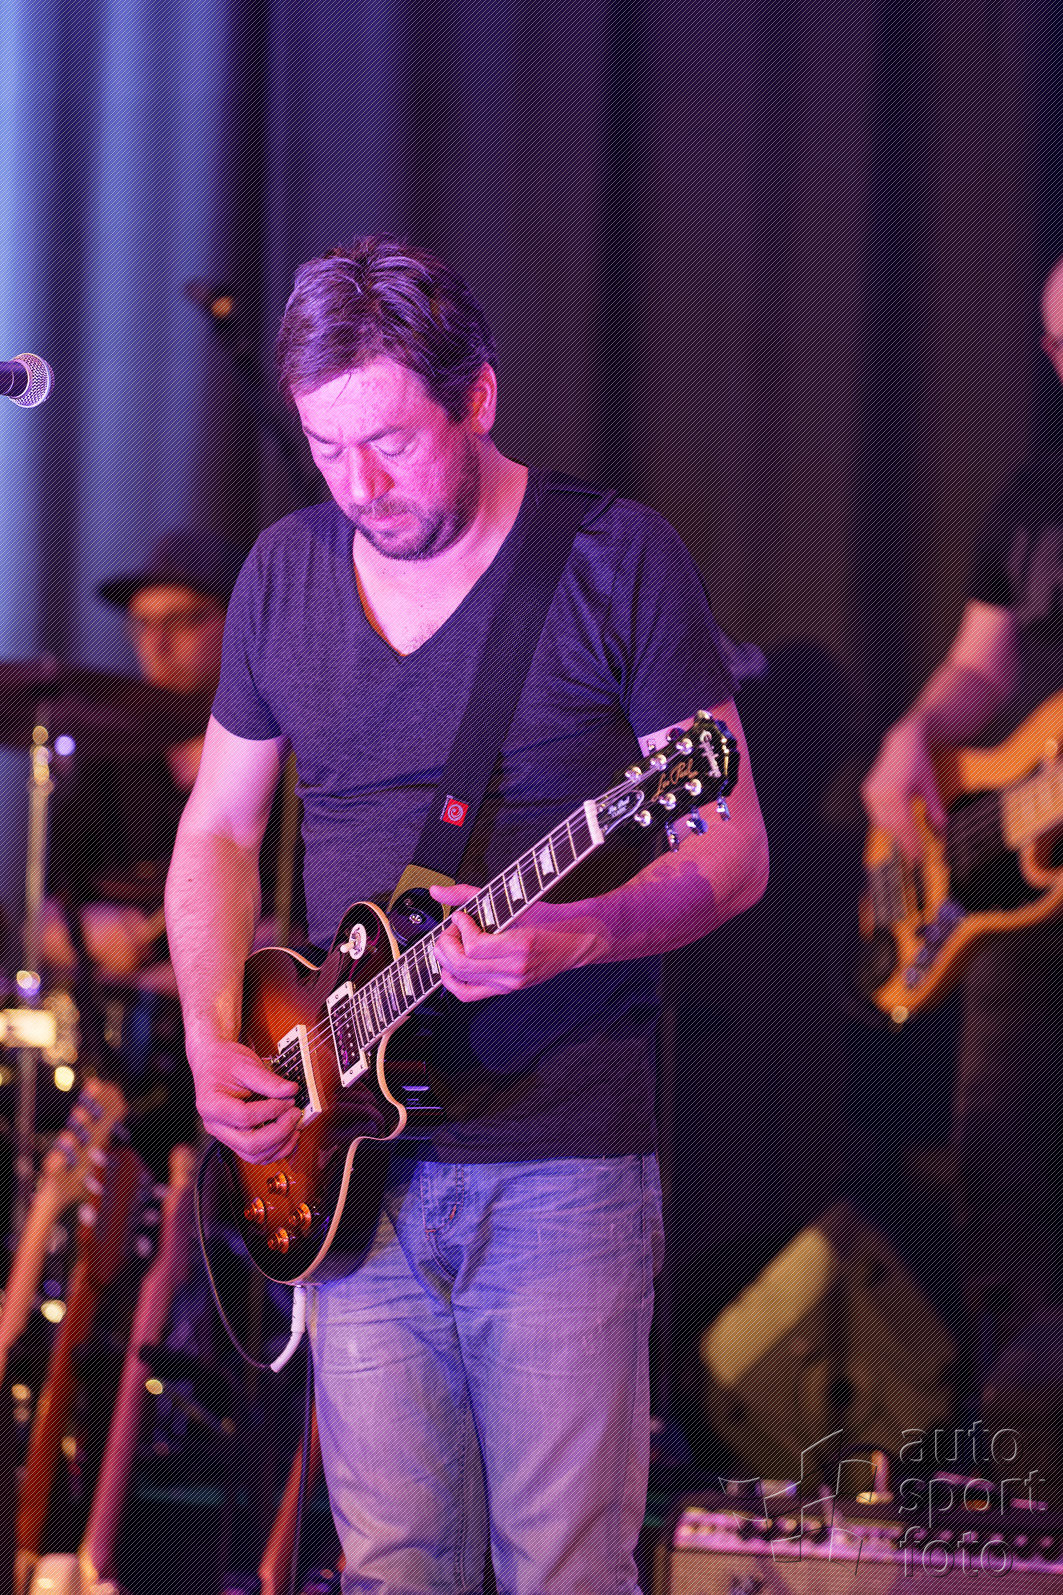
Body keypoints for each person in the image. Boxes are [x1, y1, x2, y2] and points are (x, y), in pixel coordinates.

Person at [165, 236, 769, 1595]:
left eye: (389, 442)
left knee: (563, 1567)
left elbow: (732, 850)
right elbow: (217, 831)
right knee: (391, 1568)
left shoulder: (614, 559)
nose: (358, 486)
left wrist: (578, 934)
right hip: (342, 1157)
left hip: (559, 1161)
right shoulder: (283, 573)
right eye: (327, 449)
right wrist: (211, 1029)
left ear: (477, 396)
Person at [860, 254, 1063, 1400]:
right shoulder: (1030, 495)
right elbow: (979, 667)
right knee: (998, 1165)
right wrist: (912, 733)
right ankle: (1021, 1428)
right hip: (1014, 878)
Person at [41, 529, 251, 1168]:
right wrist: (92, 938)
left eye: (183, 620)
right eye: (143, 624)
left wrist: (178, 964)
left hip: (244, 1040)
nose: (156, 644)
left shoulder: (274, 757)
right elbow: (41, 919)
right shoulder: (109, 756)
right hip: (109, 1052)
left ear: (235, 620)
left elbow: (294, 927)